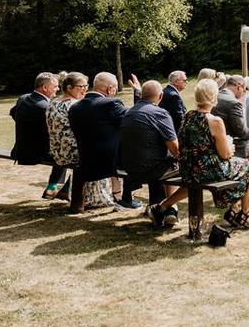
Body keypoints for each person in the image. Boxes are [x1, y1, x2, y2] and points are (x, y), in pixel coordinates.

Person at [155, 79, 249, 228]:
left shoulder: (188, 116)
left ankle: (233, 209)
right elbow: (225, 155)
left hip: (188, 168)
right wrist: (230, 148)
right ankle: (245, 215)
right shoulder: (214, 121)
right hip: (207, 170)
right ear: (214, 98)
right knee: (248, 167)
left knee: (207, 176)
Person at [69, 72, 143, 209]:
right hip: (109, 160)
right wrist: (138, 93)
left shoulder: (75, 107)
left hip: (86, 157)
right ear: (110, 89)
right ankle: (127, 199)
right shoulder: (110, 103)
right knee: (135, 147)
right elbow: (135, 119)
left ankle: (121, 196)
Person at [47, 72, 117, 208]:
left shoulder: (53, 102)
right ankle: (97, 198)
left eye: (87, 85)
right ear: (69, 88)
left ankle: (68, 191)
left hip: (57, 152)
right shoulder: (75, 105)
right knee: (104, 151)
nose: (86, 89)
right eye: (81, 86)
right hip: (73, 153)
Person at [120, 80, 183, 226]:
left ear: (142, 95)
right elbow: (175, 148)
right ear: (160, 96)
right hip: (151, 169)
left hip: (130, 167)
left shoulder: (129, 112)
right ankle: (169, 208)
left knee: (164, 161)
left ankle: (166, 209)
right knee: (181, 168)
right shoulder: (159, 113)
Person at [10, 71, 67, 199]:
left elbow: (13, 113)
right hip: (35, 154)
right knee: (66, 154)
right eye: (56, 86)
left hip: (19, 150)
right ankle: (54, 187)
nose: (58, 89)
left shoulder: (23, 98)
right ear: (44, 88)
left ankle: (57, 187)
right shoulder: (47, 107)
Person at [212, 75, 249, 158]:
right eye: (244, 90)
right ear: (239, 87)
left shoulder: (214, 97)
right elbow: (241, 131)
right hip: (228, 144)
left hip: (212, 142)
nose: (243, 93)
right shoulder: (234, 103)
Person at [159, 70, 188, 135]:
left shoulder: (167, 91)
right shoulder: (173, 95)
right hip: (173, 133)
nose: (187, 82)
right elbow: (179, 118)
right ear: (176, 82)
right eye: (184, 80)